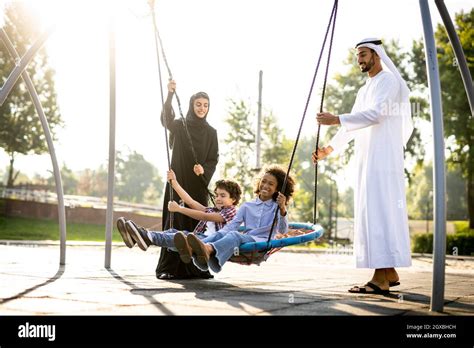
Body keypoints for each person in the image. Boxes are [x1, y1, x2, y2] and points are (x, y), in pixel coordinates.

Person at [312, 38, 413, 294]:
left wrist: (335, 118)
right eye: (358, 55)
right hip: (368, 158)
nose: (360, 59)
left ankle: (379, 280)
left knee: (379, 211)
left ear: (377, 55)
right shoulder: (364, 88)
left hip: (384, 159)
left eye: (364, 54)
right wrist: (329, 149)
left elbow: (377, 114)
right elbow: (352, 126)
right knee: (372, 210)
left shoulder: (388, 81)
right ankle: (389, 272)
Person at [174, 165, 295, 274]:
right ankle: (192, 248)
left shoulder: (277, 206)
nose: (266, 185)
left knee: (234, 235)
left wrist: (282, 208)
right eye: (263, 181)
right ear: (259, 183)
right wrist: (219, 234)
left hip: (262, 244)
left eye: (271, 184)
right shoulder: (247, 206)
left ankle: (208, 249)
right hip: (248, 240)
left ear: (277, 189)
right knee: (221, 234)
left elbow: (283, 231)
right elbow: (232, 225)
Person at [157, 80, 219, 280]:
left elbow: (213, 158)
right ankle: (170, 268)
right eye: (198, 104)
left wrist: (204, 169)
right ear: (192, 105)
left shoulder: (211, 133)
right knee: (174, 219)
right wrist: (170, 95)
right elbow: (166, 119)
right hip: (178, 179)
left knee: (196, 222)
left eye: (205, 105)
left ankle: (197, 268)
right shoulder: (180, 126)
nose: (202, 108)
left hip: (198, 184)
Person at [117, 170, 241, 264]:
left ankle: (145, 236)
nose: (218, 198)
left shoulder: (232, 212)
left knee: (181, 237)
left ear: (233, 199)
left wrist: (179, 209)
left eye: (223, 195)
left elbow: (205, 216)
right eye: (217, 195)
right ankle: (138, 238)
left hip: (210, 244)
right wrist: (174, 183)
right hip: (200, 239)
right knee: (172, 233)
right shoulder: (213, 209)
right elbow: (191, 202)